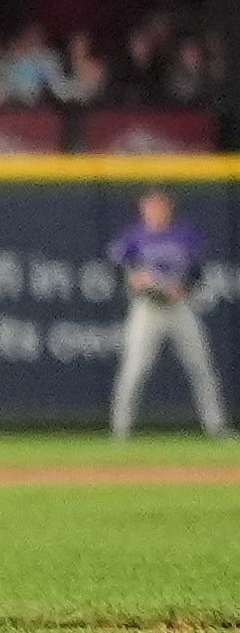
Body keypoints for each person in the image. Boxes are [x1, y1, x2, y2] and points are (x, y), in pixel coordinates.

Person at [110, 183, 227, 442]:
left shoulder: (184, 235)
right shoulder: (133, 236)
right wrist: (134, 278)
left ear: (169, 207)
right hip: (147, 309)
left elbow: (197, 269)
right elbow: (118, 269)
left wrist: (183, 286)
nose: (156, 209)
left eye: (161, 204)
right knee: (134, 370)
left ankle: (216, 427)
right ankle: (120, 431)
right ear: (143, 208)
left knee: (201, 367)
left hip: (179, 308)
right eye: (151, 204)